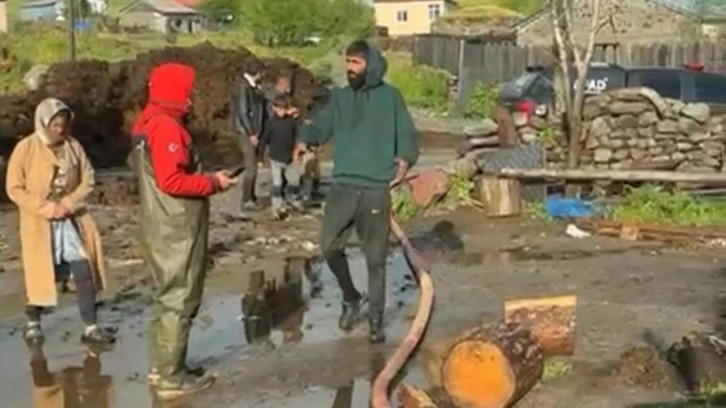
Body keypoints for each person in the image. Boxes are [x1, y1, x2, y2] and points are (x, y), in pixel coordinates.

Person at [294, 40, 419, 344]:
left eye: (356, 63)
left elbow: (406, 132)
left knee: (375, 259)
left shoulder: (391, 98)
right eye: (347, 62)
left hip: (376, 187)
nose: (349, 68)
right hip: (343, 186)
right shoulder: (339, 97)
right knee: (329, 247)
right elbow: (320, 126)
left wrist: (405, 157)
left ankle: (376, 320)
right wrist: (304, 139)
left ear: (371, 65)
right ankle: (351, 297)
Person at [127, 62, 237, 398]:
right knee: (180, 298)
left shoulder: (146, 123)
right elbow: (172, 180)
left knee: (167, 295)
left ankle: (163, 366)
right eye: (186, 92)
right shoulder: (167, 128)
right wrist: (213, 182)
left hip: (158, 221)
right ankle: (171, 378)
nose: (190, 100)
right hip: (177, 226)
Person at [6, 97, 115, 346]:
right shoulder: (25, 148)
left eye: (63, 125)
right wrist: (45, 208)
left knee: (83, 267)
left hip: (70, 218)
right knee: (41, 273)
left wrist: (68, 203)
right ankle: (33, 322)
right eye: (55, 125)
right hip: (39, 222)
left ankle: (90, 327)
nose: (60, 130)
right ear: (43, 123)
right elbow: (14, 188)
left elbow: (88, 178)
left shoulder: (73, 146)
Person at [233, 60, 266, 212]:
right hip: (247, 132)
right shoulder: (244, 87)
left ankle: (251, 197)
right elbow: (243, 112)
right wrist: (251, 133)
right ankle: (247, 199)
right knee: (251, 166)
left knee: (253, 166)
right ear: (257, 72)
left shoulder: (251, 87)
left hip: (252, 130)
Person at [263, 94, 303, 218]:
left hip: (289, 157)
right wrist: (259, 156)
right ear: (274, 108)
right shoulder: (270, 122)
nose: (281, 111)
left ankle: (294, 201)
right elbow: (264, 139)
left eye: (284, 108)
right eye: (279, 108)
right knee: (277, 183)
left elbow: (298, 136)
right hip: (275, 157)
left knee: (294, 181)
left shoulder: (292, 122)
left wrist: (298, 150)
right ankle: (277, 207)